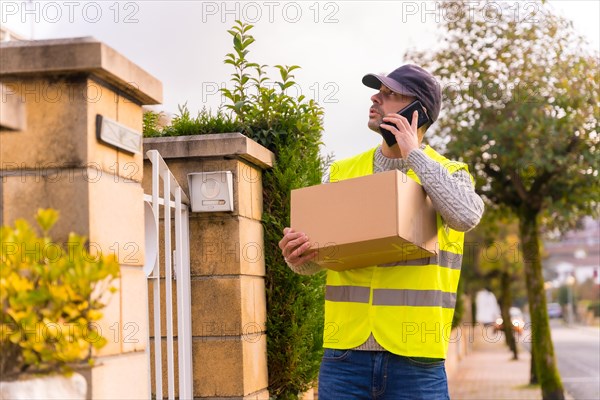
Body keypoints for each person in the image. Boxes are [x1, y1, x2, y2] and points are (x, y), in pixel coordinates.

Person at [278, 64, 484, 399]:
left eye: (389, 94)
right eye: (378, 92)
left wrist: (413, 154)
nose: (376, 98)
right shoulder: (344, 172)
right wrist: (297, 257)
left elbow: (465, 216)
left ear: (417, 111)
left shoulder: (449, 173)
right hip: (345, 356)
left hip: (416, 359)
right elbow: (317, 261)